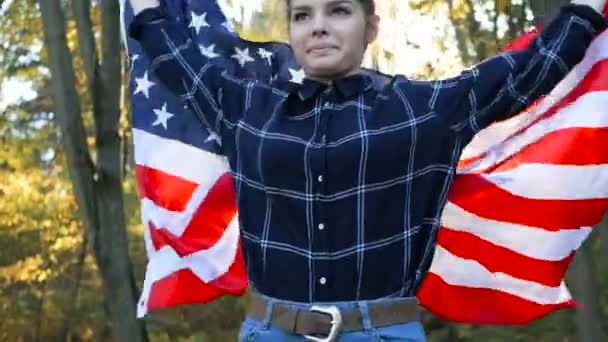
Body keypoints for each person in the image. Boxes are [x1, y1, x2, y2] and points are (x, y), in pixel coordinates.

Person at [127, 0, 608, 340]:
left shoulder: (424, 111)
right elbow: (177, 62)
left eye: (338, 10)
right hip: (269, 331)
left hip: (382, 333)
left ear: (370, 26)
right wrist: (147, 12)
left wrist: (586, 10)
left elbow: (528, 70)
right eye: (302, 15)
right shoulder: (246, 108)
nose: (318, 27)